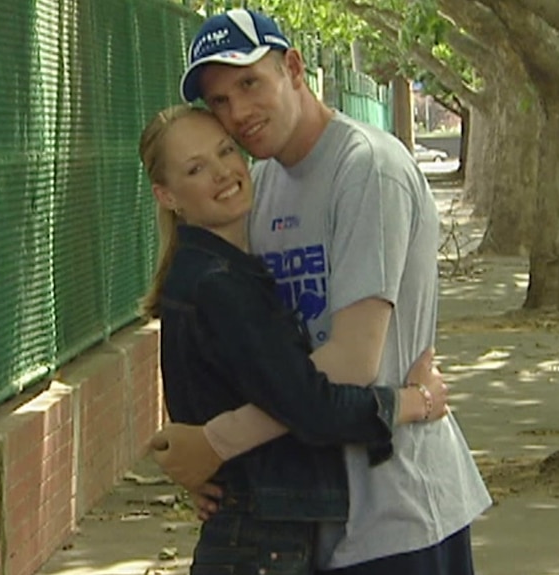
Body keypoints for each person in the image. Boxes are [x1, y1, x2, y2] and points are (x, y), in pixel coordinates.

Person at [149, 8, 492, 575]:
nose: (238, 113)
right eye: (220, 101)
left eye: (249, 83)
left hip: (399, 510)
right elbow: (249, 352)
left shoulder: (366, 169)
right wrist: (208, 466)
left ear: (294, 67)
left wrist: (216, 441)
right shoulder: (262, 186)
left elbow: (353, 362)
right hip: (308, 518)